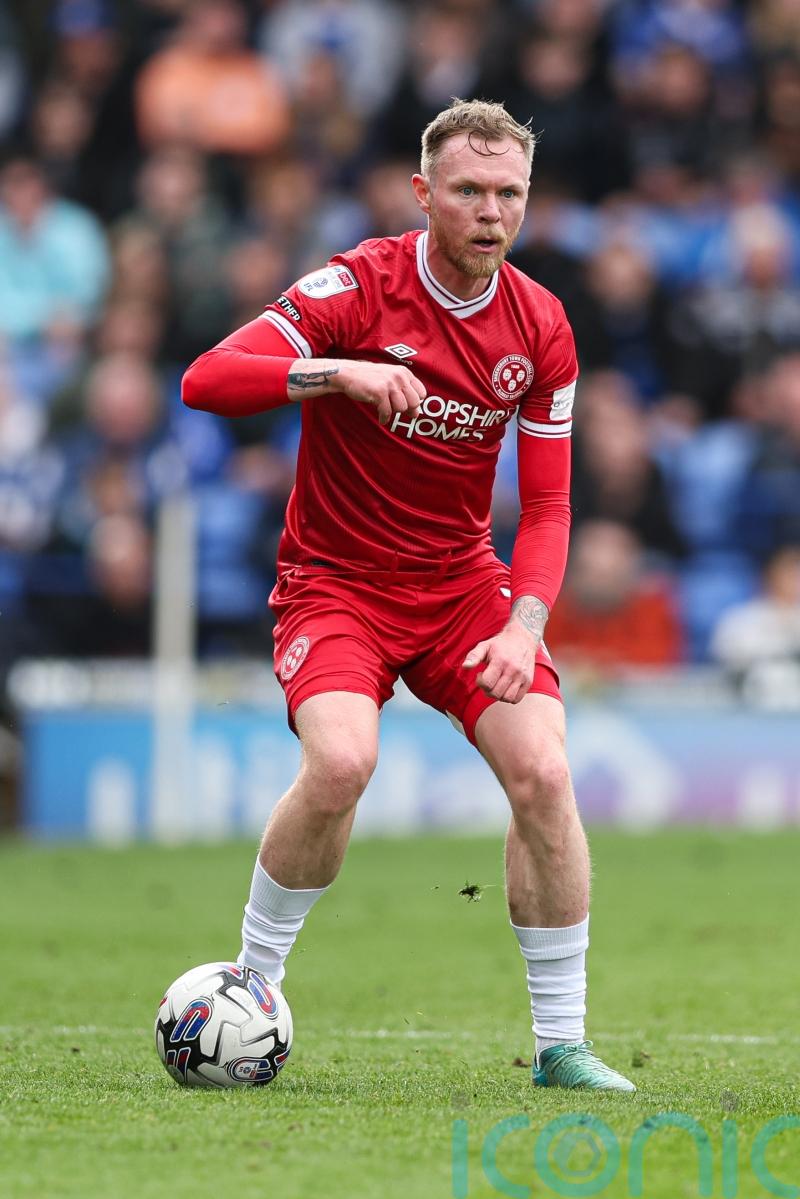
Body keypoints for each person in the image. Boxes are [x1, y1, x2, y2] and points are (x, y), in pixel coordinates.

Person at [182, 99, 635, 1093]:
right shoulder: (355, 285)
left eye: (508, 192)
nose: (490, 211)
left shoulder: (541, 325)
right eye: (468, 190)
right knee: (341, 760)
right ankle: (250, 985)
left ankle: (559, 1044)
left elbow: (551, 506)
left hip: (463, 588)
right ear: (423, 193)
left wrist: (524, 621)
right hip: (335, 582)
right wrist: (333, 371)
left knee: (546, 775)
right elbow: (206, 379)